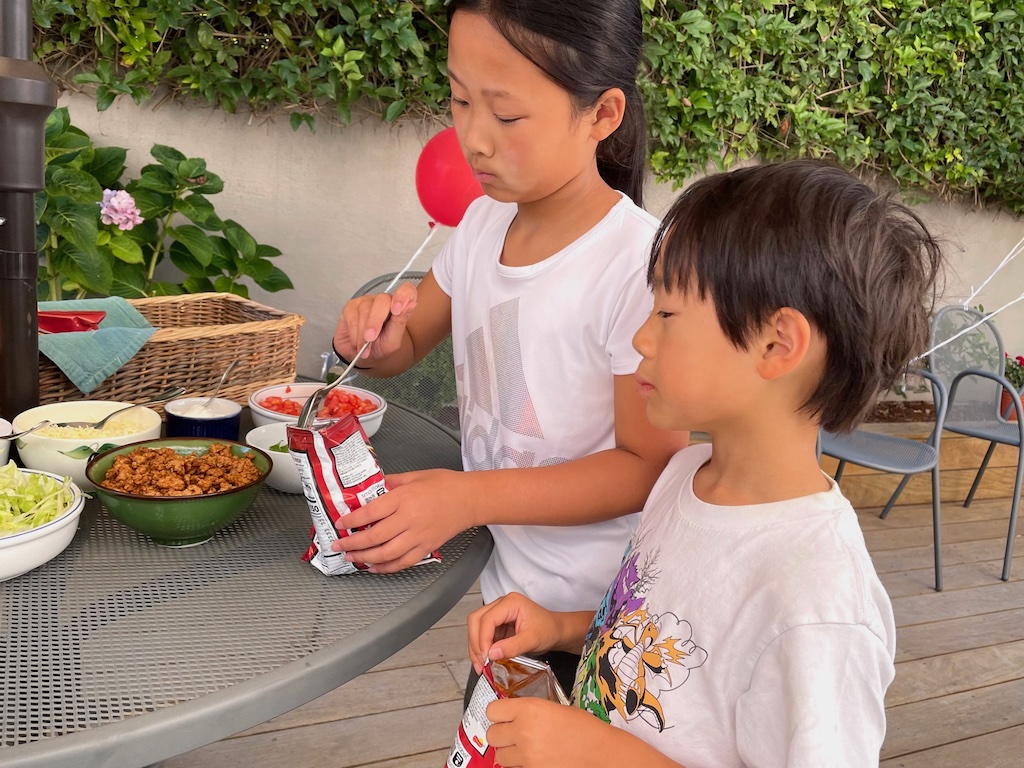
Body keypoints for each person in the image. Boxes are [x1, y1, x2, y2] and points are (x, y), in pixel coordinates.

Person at [465, 159, 945, 767]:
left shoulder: (818, 609)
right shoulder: (685, 475)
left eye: (666, 314)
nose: (641, 338)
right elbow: (663, 637)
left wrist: (595, 755)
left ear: (776, 345)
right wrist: (560, 628)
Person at [330, 0, 688, 692]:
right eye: (460, 100)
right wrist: (371, 332)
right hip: (507, 602)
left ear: (602, 115)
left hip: (599, 622)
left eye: (507, 114)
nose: (474, 139)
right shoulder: (482, 224)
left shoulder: (637, 268)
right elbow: (401, 347)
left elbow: (649, 466)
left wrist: (468, 498)